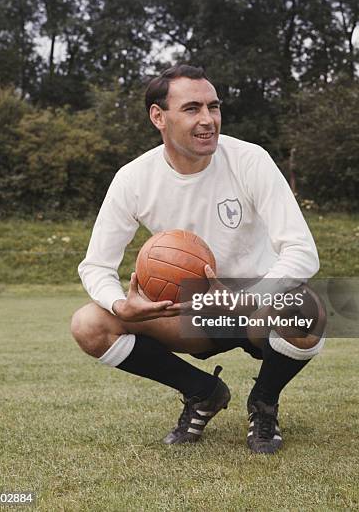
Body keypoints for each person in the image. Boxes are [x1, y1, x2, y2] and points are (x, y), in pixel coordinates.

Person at [71, 64, 325, 454]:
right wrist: (122, 303)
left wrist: (251, 296)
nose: (208, 120)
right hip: (189, 312)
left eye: (214, 107)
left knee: (307, 310)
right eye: (192, 109)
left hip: (254, 305)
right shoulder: (133, 178)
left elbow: (302, 251)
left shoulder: (249, 160)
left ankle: (264, 402)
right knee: (89, 323)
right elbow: (96, 265)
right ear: (159, 117)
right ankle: (203, 392)